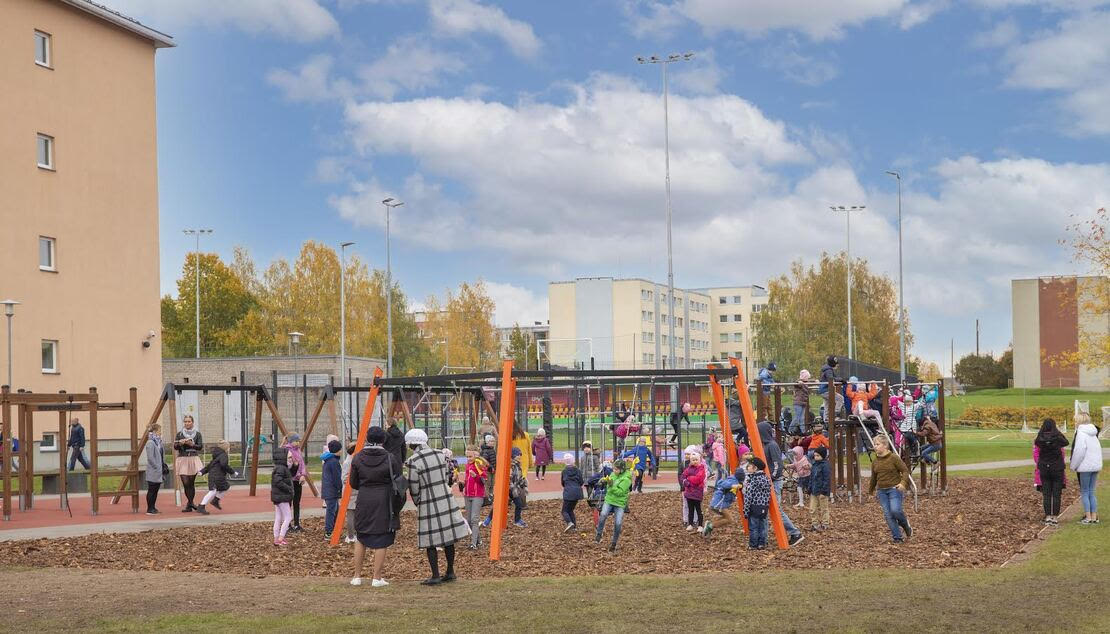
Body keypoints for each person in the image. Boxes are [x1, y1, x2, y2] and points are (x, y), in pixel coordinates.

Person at [404, 428, 470, 585]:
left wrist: (418, 500)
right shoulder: (440, 454)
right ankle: (450, 571)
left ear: (412, 443)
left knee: (430, 539)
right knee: (448, 537)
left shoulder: (413, 461)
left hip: (428, 499)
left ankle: (435, 575)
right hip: (445, 497)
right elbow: (448, 474)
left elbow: (413, 485)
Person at [349, 426, 403, 588]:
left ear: (367, 438)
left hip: (364, 498)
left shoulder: (357, 458)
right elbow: (398, 478)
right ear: (383, 440)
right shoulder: (390, 458)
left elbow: (353, 482)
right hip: (383, 499)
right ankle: (376, 577)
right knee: (382, 537)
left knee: (361, 536)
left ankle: (357, 576)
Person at [758, 420, 804, 546]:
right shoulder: (765, 445)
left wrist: (771, 477)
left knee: (776, 510)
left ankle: (795, 533)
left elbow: (778, 464)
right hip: (770, 480)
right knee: (770, 509)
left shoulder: (771, 445)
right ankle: (765, 538)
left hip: (774, 481)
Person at [867, 435, 912, 543]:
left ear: (885, 446)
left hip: (894, 489)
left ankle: (905, 525)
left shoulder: (894, 458)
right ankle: (897, 537)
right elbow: (874, 477)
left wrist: (903, 483)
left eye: (877, 444)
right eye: (874, 444)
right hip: (882, 491)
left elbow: (905, 471)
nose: (875, 447)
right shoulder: (875, 462)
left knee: (895, 511)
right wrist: (870, 492)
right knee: (888, 514)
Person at [594, 456, 633, 552]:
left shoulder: (627, 480)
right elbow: (609, 479)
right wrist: (604, 480)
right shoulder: (613, 474)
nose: (614, 470)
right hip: (609, 500)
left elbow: (620, 492)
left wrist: (610, 486)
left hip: (619, 503)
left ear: (622, 470)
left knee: (618, 523)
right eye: (614, 469)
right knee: (603, 514)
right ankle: (599, 533)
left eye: (616, 469)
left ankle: (614, 542)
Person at [1035, 418, 1069, 526]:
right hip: (1056, 468)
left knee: (1047, 493)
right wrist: (1057, 433)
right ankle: (1054, 517)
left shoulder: (1040, 438)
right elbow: (1066, 442)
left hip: (1045, 468)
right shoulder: (1057, 437)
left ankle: (1048, 516)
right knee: (1056, 493)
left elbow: (1037, 445)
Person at [1070, 413, 1102, 525]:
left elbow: (1079, 452)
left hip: (1085, 467)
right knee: (1091, 492)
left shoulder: (1081, 433)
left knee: (1085, 492)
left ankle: (1088, 517)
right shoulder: (1094, 433)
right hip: (1095, 466)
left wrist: (1073, 466)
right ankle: (1094, 516)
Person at [196, 440, 237, 515]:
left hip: (213, 475)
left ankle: (214, 501)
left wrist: (202, 472)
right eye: (228, 447)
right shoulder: (223, 455)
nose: (229, 449)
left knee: (224, 487)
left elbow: (210, 465)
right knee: (213, 491)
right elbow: (224, 465)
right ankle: (202, 506)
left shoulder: (216, 455)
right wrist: (232, 472)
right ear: (226, 448)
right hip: (217, 476)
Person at [173, 414, 204, 512]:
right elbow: (175, 446)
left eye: (189, 421)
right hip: (183, 458)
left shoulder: (197, 434)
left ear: (192, 422)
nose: (187, 423)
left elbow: (200, 447)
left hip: (193, 458)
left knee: (191, 483)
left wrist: (192, 444)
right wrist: (180, 444)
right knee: (185, 483)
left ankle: (189, 504)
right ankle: (191, 503)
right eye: (185, 421)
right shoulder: (180, 434)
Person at [703, 466, 743, 538]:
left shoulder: (735, 480)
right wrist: (733, 485)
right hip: (719, 503)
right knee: (729, 519)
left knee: (725, 517)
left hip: (719, 503)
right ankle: (710, 525)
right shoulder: (733, 481)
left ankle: (710, 525)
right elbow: (723, 484)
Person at [460, 445, 488, 549]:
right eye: (467, 456)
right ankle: (479, 540)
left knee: (474, 519)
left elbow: (484, 480)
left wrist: (475, 476)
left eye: (470, 456)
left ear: (475, 455)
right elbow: (467, 480)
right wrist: (462, 484)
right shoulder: (467, 465)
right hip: (467, 494)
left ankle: (473, 543)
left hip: (477, 495)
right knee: (469, 519)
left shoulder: (479, 464)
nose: (468, 459)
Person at [743, 456, 772, 549]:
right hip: (764, 506)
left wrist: (746, 510)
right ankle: (761, 544)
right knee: (762, 526)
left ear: (755, 468)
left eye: (749, 466)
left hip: (754, 506)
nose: (747, 468)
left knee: (753, 527)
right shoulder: (766, 479)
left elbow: (748, 496)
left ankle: (753, 545)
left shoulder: (753, 480)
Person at [282, 434, 307, 533]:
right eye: (296, 441)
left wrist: (302, 474)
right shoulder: (287, 451)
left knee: (297, 502)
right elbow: (288, 466)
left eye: (299, 441)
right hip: (290, 480)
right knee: (289, 503)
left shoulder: (298, 450)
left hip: (298, 481)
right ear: (291, 441)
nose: (298, 443)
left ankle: (297, 524)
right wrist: (295, 474)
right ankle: (287, 524)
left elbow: (302, 464)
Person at [271, 446, 295, 546]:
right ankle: (280, 538)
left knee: (278, 517)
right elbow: (278, 481)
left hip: (278, 496)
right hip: (282, 496)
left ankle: (277, 538)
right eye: (289, 458)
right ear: (283, 458)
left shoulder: (281, 468)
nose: (291, 460)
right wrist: (289, 489)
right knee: (288, 517)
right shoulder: (281, 468)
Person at [321, 439, 343, 537]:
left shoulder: (329, 460)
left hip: (328, 490)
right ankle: (329, 532)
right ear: (337, 450)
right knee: (331, 511)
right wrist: (340, 488)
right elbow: (336, 477)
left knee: (335, 510)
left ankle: (334, 530)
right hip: (331, 490)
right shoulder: (334, 462)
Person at [681, 450, 707, 532]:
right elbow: (683, 476)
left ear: (699, 460)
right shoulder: (688, 469)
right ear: (691, 461)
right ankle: (690, 524)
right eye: (693, 460)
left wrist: (689, 478)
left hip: (697, 492)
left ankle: (700, 525)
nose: (695, 461)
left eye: (696, 460)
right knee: (690, 509)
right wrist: (686, 482)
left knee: (698, 509)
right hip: (689, 492)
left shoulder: (701, 469)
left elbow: (698, 479)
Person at [144, 423, 165, 515]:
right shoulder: (150, 442)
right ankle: (149, 508)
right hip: (153, 470)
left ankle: (153, 507)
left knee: (156, 489)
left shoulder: (158, 442)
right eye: (160, 430)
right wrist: (156, 466)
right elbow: (150, 457)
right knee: (152, 489)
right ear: (155, 431)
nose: (161, 432)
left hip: (159, 470)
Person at [560, 452, 584, 532]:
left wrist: (567, 486)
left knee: (564, 511)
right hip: (577, 493)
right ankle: (574, 527)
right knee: (570, 510)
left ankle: (569, 523)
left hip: (568, 493)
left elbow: (563, 483)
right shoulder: (578, 470)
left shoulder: (564, 471)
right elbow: (581, 481)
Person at [808, 446, 831, 531]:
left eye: (818, 455)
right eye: (815, 455)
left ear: (823, 456)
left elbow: (827, 479)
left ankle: (825, 524)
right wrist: (809, 488)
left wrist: (824, 491)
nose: (816, 457)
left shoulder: (825, 466)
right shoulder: (814, 465)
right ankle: (815, 524)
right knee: (812, 509)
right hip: (814, 491)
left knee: (824, 508)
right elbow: (811, 478)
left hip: (822, 491)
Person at [341, 441, 359, 544]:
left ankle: (353, 534)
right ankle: (351, 535)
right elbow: (344, 478)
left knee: (354, 515)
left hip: (354, 491)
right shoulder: (348, 462)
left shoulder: (352, 460)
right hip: (351, 492)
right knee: (351, 515)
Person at [792, 371, 811, 436]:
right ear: (804, 377)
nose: (808, 379)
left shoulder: (806, 383)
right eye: (807, 377)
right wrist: (799, 382)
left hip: (803, 403)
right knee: (797, 417)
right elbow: (796, 383)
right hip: (798, 402)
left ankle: (803, 431)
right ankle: (790, 430)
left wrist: (815, 381)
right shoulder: (799, 382)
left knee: (802, 418)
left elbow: (810, 382)